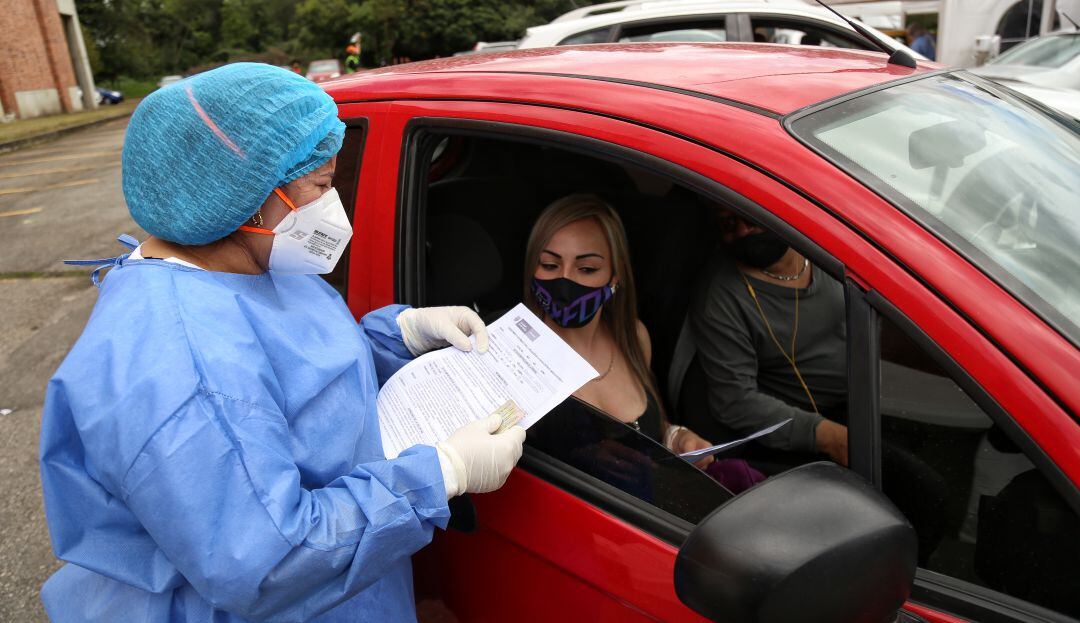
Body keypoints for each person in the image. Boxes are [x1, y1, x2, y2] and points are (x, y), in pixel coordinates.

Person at [39, 63, 525, 623]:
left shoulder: (243, 262)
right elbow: (267, 562)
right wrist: (441, 475)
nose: (333, 204)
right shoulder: (184, 369)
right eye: (320, 186)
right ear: (248, 198)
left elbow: (300, 377)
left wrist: (400, 335)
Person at [522, 195, 739, 472]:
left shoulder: (632, 336)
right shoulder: (514, 351)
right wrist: (584, 457)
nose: (566, 280)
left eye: (587, 268)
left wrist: (676, 437)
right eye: (550, 265)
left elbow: (650, 427)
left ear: (615, 276)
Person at [687, 208, 849, 466]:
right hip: (813, 432)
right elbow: (735, 401)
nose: (743, 230)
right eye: (728, 224)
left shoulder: (823, 246)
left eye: (750, 217)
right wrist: (831, 438)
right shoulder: (721, 297)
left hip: (869, 398)